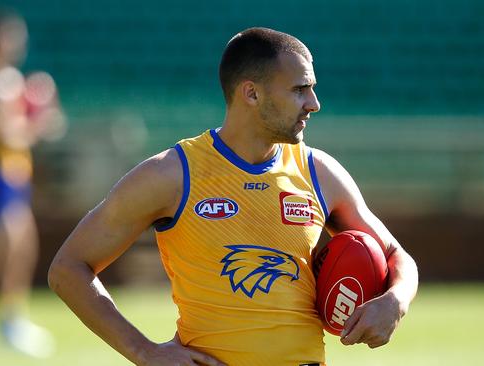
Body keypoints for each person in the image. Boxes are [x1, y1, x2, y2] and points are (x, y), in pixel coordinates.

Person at [48, 27, 418, 366]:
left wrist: (395, 300)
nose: (314, 103)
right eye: (299, 89)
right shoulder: (172, 174)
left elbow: (396, 255)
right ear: (251, 93)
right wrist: (143, 351)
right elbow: (68, 269)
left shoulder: (319, 172)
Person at [0, 10, 62, 359]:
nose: (19, 43)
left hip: (11, 175)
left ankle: (10, 321)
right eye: (13, 36)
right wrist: (42, 117)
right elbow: (8, 134)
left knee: (21, 250)